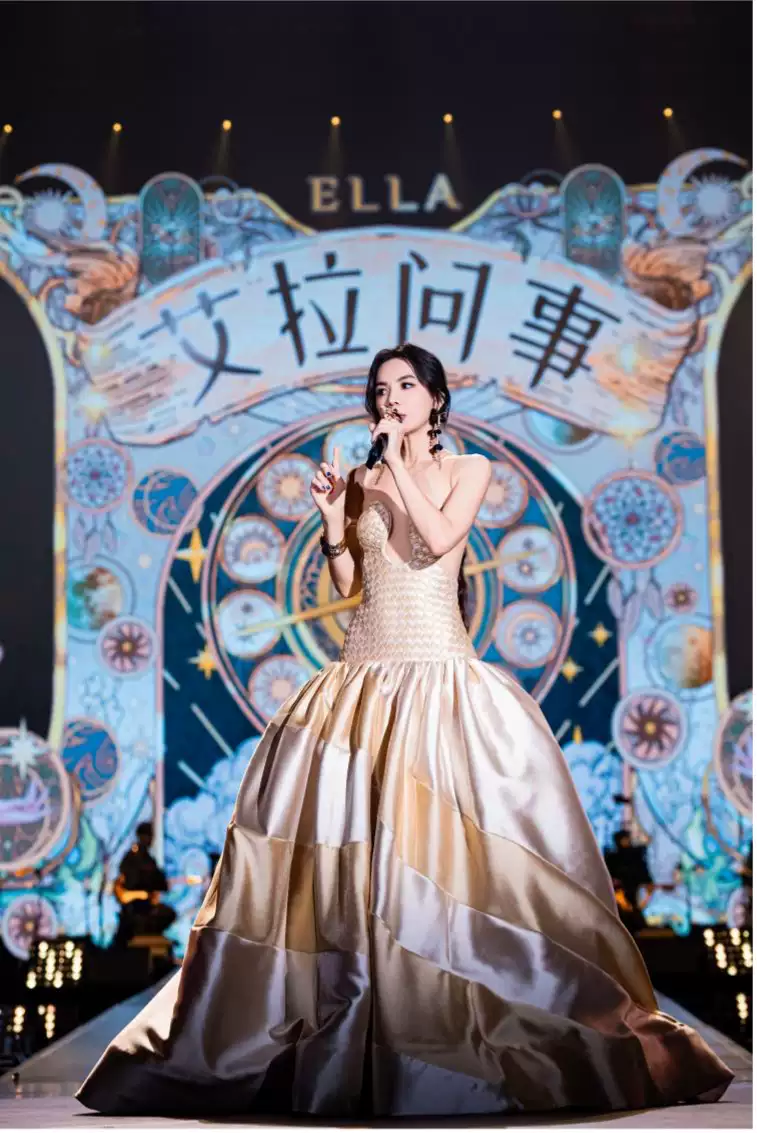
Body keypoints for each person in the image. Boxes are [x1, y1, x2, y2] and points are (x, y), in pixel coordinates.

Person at [77, 344, 733, 1118]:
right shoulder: (362, 479)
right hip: (360, 674)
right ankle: (356, 1017)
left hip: (438, 675)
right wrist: (334, 522)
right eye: (380, 388)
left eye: (405, 385)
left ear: (435, 399)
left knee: (436, 858)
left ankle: (439, 1021)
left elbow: (439, 538)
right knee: (352, 862)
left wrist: (393, 465)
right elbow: (351, 583)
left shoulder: (468, 469)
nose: (389, 397)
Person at [112, 821, 176, 947]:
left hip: (147, 907)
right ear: (141, 836)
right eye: (148, 836)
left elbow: (160, 883)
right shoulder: (132, 858)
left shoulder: (149, 859)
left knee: (168, 914)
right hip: (133, 908)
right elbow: (126, 887)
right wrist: (143, 893)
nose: (151, 839)